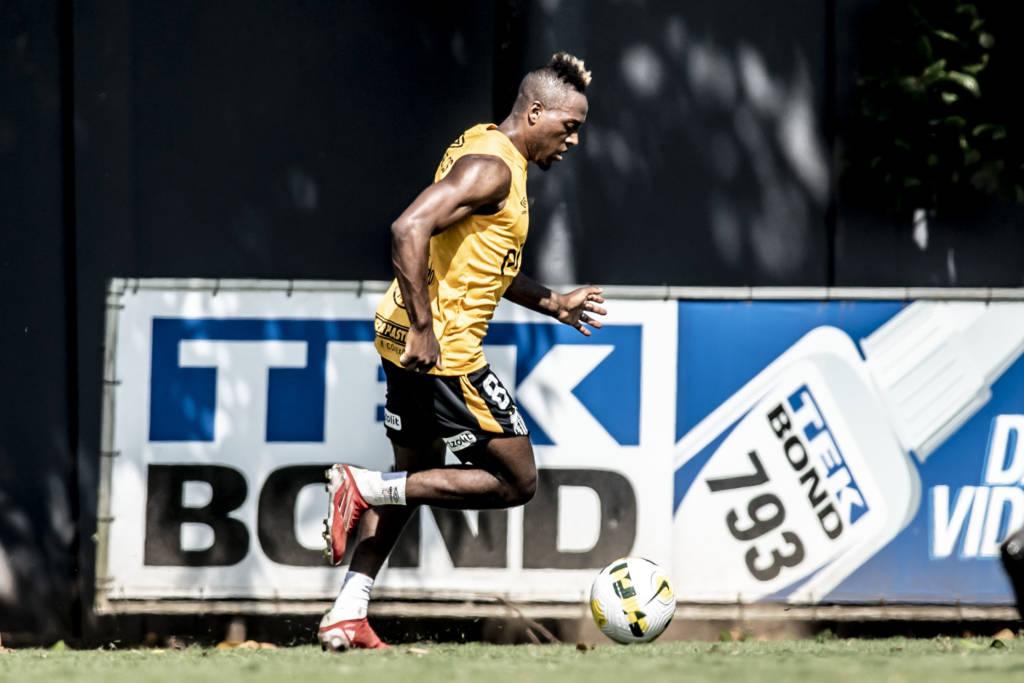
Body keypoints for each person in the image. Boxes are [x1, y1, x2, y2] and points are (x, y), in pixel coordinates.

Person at [318, 52, 605, 651]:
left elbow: (481, 260)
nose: (574, 140)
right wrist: (426, 327)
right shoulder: (493, 168)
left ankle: (348, 611)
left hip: (404, 339)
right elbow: (408, 228)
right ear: (535, 112)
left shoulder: (484, 143)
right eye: (569, 126)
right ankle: (361, 486)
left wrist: (554, 302)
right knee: (516, 479)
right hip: (443, 351)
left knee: (415, 476)